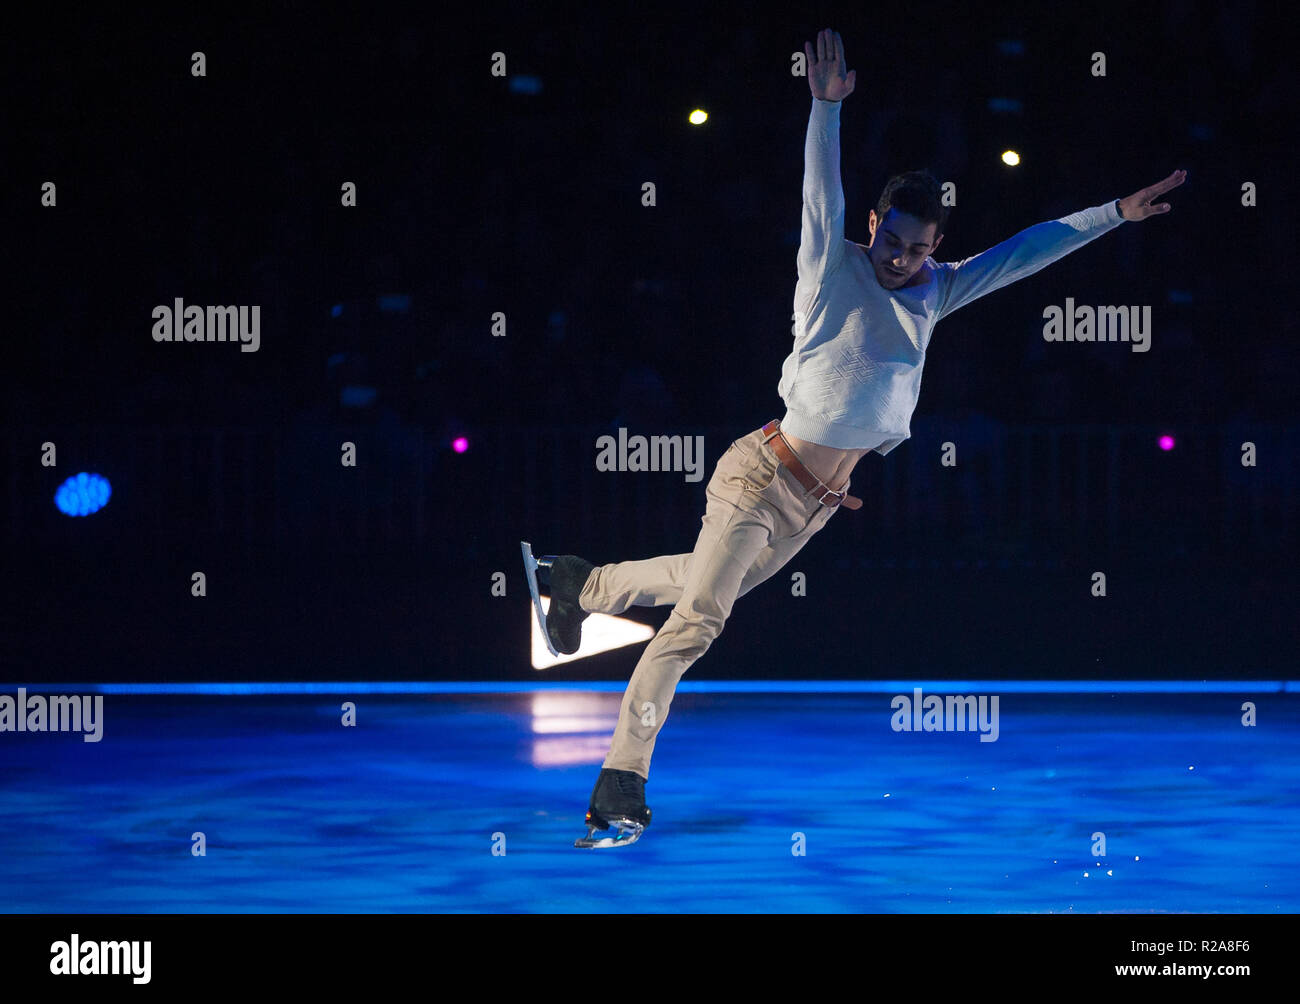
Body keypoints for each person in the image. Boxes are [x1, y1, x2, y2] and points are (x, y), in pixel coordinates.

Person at [537, 28, 1185, 848]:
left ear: (936, 245)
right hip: (758, 476)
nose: (900, 261)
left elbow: (1025, 253)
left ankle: (577, 583)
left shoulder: (936, 291)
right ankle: (619, 785)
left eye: (918, 250)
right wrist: (825, 109)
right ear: (874, 224)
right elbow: (819, 197)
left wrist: (1112, 216)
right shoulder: (831, 268)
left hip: (812, 507)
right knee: (699, 621)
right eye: (891, 242)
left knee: (703, 585)